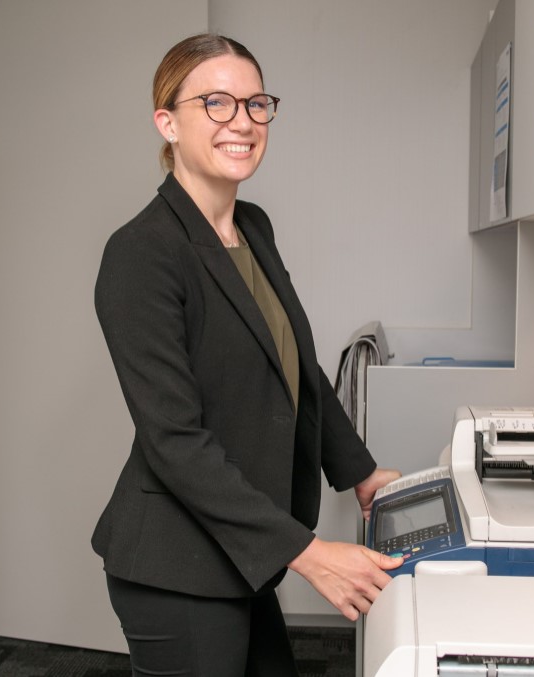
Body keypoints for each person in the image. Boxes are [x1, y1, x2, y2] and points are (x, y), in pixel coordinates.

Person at [92, 33, 404, 676]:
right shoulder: (141, 254)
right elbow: (174, 439)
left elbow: (293, 362)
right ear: (167, 122)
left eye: (255, 104)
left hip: (241, 552)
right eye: (216, 103)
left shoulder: (252, 226)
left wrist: (360, 473)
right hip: (177, 567)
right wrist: (309, 553)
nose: (242, 121)